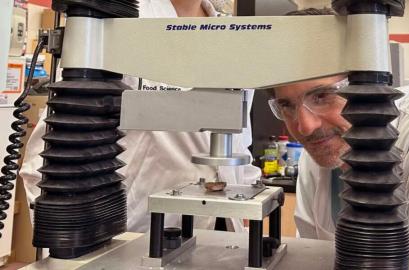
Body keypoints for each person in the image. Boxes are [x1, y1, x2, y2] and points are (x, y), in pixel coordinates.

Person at [20, 0, 261, 233]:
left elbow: (240, 140)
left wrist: (248, 196)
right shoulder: (117, 21)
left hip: (223, 226)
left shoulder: (234, 36)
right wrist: (68, 234)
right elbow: (51, 154)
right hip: (138, 230)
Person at [267, 9, 409, 269]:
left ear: (365, 81)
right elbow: (316, 257)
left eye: (322, 96)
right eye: (286, 105)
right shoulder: (323, 154)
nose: (305, 126)